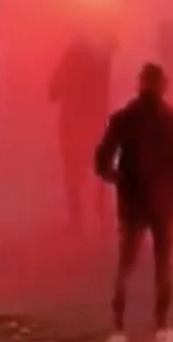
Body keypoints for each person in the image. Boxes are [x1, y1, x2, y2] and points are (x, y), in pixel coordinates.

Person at [95, 64, 173, 342]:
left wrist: (115, 177)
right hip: (164, 202)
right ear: (163, 85)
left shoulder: (124, 118)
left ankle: (118, 327)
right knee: (163, 264)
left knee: (126, 262)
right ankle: (161, 326)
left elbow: (102, 158)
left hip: (133, 199)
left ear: (140, 84)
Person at [50, 32, 115, 232]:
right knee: (99, 169)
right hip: (95, 121)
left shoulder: (71, 62)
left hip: (72, 122)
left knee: (72, 172)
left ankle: (77, 219)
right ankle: (102, 214)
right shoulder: (100, 63)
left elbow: (53, 91)